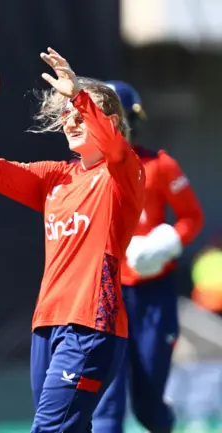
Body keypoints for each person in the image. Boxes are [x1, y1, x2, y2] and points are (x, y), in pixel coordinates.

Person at [0, 48, 146, 432]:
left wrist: (78, 92)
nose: (71, 121)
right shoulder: (54, 178)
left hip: (91, 325)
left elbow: (115, 148)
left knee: (49, 429)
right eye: (67, 115)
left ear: (110, 121)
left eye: (81, 115)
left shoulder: (123, 174)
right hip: (47, 324)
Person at [92, 80, 204, 433]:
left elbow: (192, 217)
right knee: (107, 404)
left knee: (149, 403)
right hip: (104, 295)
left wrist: (165, 242)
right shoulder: (85, 171)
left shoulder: (160, 166)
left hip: (152, 293)